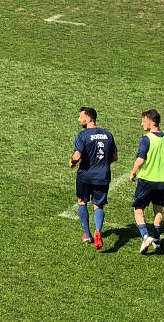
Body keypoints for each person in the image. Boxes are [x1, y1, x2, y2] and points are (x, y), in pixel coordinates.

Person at [129, 109, 164, 254]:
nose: (142, 123)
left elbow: (140, 160)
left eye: (144, 121)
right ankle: (156, 240)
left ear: (152, 122)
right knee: (158, 210)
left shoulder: (146, 139)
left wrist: (133, 172)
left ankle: (145, 237)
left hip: (147, 181)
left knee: (138, 209)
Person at [70, 107, 117, 251]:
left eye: (81, 117)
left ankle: (88, 235)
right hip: (103, 175)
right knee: (98, 205)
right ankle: (98, 231)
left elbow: (77, 156)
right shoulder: (108, 135)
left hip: (85, 176)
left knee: (82, 201)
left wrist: (72, 162)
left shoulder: (82, 135)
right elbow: (115, 157)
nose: (79, 120)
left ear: (89, 118)